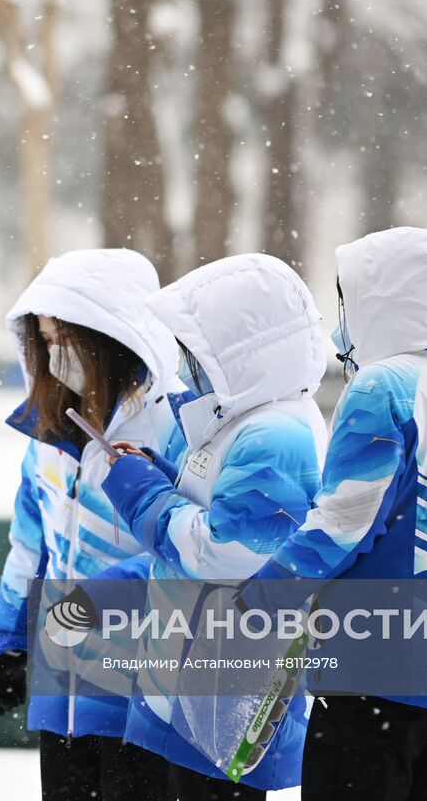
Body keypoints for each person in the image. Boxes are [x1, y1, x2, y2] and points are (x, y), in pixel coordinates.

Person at [240, 227, 427, 801]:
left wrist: (260, 598)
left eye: (347, 300)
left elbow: (344, 518)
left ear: (387, 302)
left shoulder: (384, 386)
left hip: (379, 671)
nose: (340, 321)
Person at [98, 254, 330, 800]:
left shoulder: (277, 433)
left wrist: (140, 491)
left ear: (243, 351)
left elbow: (228, 552)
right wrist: (155, 471)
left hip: (229, 684)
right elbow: (208, 503)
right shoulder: (233, 419)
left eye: (197, 351)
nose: (187, 366)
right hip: (188, 671)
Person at [0, 248, 180, 801]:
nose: (54, 353)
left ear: (113, 337)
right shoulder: (48, 435)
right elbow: (30, 546)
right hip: (62, 677)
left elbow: (189, 547)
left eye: (66, 339)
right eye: (44, 339)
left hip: (145, 680)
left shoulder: (173, 427)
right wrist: (10, 643)